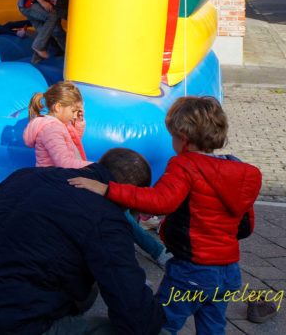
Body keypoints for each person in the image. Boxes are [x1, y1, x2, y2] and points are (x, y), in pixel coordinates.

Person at [69, 97, 262, 334]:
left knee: (160, 324)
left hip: (193, 270)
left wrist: (108, 189)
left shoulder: (185, 165)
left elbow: (160, 201)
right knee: (213, 326)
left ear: (183, 137)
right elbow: (246, 226)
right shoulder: (239, 171)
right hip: (228, 272)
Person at [0, 148, 165, 334]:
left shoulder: (29, 175)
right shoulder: (107, 219)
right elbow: (136, 316)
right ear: (130, 195)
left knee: (87, 283)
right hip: (14, 324)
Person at [25, 82, 168, 267]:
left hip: (64, 179)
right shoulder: (52, 129)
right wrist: (98, 168)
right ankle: (153, 251)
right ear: (58, 107)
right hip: (58, 185)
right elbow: (64, 162)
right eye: (74, 111)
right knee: (115, 209)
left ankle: (139, 242)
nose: (75, 114)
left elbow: (72, 142)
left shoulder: (58, 124)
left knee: (118, 208)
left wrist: (78, 122)